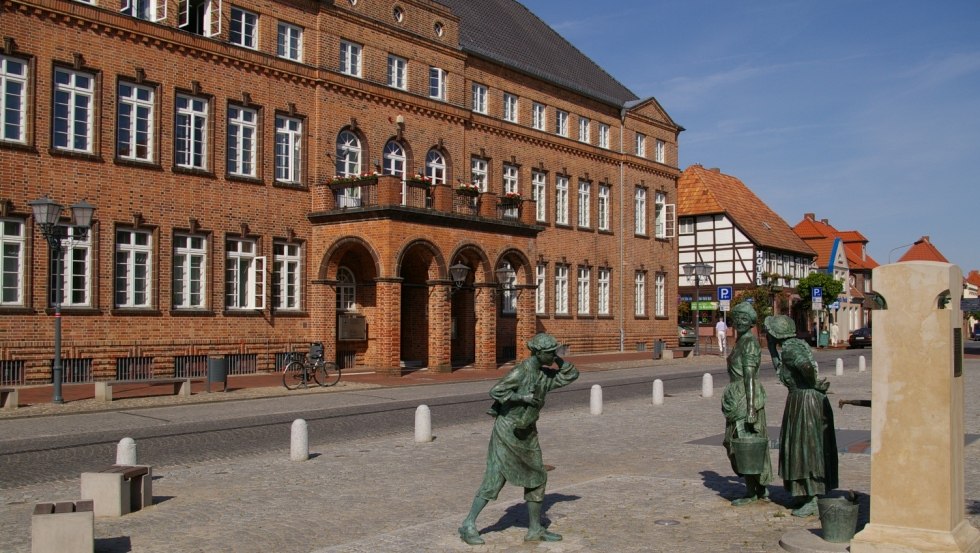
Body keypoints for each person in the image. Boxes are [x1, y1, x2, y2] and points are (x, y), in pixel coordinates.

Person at [459, 333, 579, 545]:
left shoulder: (544, 374)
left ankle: (535, 530)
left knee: (538, 477)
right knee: (495, 478)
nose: (554, 355)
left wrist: (557, 359)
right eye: (550, 353)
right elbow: (496, 391)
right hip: (508, 430)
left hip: (527, 430)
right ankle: (468, 524)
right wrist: (522, 397)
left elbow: (571, 375)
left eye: (554, 352)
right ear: (538, 353)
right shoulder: (520, 372)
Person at [764, 315, 839, 517]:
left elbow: (804, 366)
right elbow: (782, 370)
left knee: (805, 448)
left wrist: (812, 383)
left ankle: (811, 497)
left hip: (804, 401)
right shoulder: (795, 344)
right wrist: (771, 348)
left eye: (769, 332)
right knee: (802, 446)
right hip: (804, 398)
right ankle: (805, 492)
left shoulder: (790, 350)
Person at [721, 302, 773, 506]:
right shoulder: (741, 341)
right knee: (735, 442)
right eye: (737, 318)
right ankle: (757, 487)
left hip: (745, 395)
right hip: (737, 394)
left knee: (744, 443)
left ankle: (754, 490)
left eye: (745, 319)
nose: (740, 322)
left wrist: (751, 408)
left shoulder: (749, 343)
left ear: (751, 322)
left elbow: (750, 377)